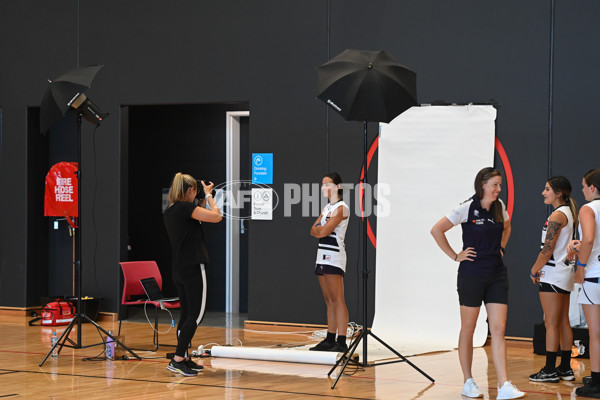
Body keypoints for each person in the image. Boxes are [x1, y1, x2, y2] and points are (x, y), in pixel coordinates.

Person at [430, 167, 524, 399]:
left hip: (496, 274)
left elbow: (508, 227)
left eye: (500, 185)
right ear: (483, 184)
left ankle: (504, 385)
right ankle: (468, 381)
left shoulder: (500, 207)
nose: (498, 189)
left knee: (499, 329)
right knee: (469, 329)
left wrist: (501, 247)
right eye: (495, 185)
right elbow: (436, 230)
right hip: (471, 274)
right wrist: (455, 255)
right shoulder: (466, 208)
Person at [163, 172, 222, 376]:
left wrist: (202, 198)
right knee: (196, 315)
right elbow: (216, 217)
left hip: (178, 268)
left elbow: (198, 217)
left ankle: (184, 357)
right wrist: (210, 196)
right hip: (193, 267)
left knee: (187, 314)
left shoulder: (171, 210)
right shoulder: (187, 208)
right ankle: (178, 358)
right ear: (190, 191)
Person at [528, 176, 577, 383]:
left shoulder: (558, 215)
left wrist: (533, 270)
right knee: (563, 321)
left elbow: (547, 250)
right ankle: (565, 368)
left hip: (554, 274)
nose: (543, 192)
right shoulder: (569, 212)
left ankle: (549, 369)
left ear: (558, 192)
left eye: (547, 189)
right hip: (564, 273)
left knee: (551, 322)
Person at [567, 169, 600, 398]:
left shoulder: (589, 209)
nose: (581, 190)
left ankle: (597, 383)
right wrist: (579, 245)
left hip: (593, 275)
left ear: (592, 187)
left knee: (595, 333)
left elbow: (589, 238)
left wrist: (580, 268)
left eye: (583, 185)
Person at [309, 172, 350, 353]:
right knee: (328, 300)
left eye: (328, 184)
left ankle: (341, 341)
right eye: (323, 184)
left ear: (338, 187)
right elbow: (313, 230)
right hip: (321, 254)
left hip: (334, 255)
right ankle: (330, 338)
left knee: (337, 299)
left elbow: (323, 231)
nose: (324, 187)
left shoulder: (342, 208)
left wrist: (320, 229)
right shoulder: (327, 208)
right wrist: (319, 229)